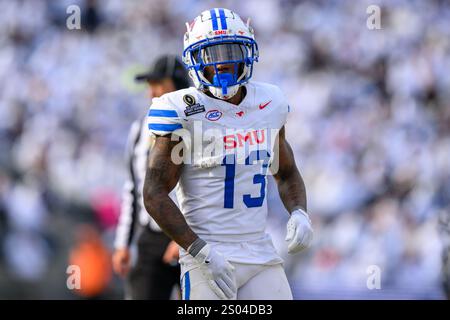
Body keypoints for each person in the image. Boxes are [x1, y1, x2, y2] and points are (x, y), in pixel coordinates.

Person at [143, 8, 313, 300]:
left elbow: (285, 173)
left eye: (230, 51)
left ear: (247, 53)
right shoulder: (181, 110)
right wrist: (200, 251)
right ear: (195, 60)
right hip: (207, 253)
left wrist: (299, 212)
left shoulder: (269, 103)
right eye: (211, 54)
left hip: (260, 252)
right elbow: (154, 193)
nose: (222, 62)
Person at [112, 55, 190, 299]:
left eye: (158, 84)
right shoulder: (140, 128)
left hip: (193, 237)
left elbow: (208, 187)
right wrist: (123, 243)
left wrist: (185, 239)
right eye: (150, 85)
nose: (151, 93)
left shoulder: (198, 126)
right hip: (152, 236)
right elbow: (133, 188)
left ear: (177, 85)